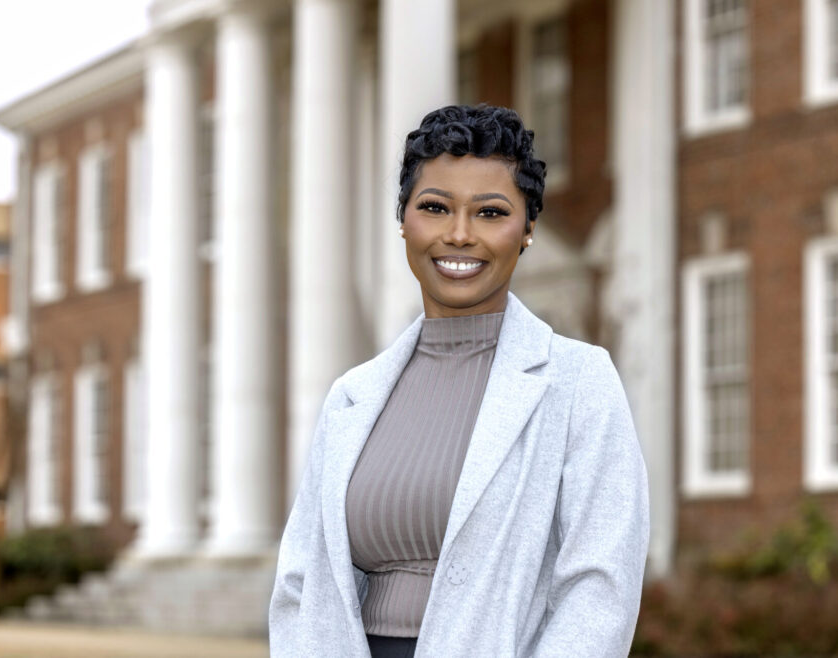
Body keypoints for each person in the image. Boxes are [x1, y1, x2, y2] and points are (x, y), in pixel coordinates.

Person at [270, 105, 649, 657]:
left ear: (527, 230)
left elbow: (600, 586)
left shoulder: (578, 383)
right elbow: (300, 582)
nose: (459, 234)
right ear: (404, 220)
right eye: (435, 207)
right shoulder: (353, 395)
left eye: (491, 213)